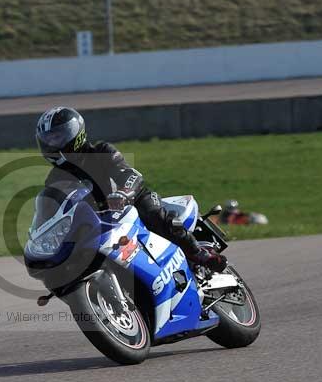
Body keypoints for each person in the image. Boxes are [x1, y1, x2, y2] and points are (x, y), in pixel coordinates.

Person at [35, 106, 227, 272]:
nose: (53, 143)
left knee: (154, 215)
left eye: (58, 136)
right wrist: (40, 234)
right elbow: (51, 212)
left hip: (133, 201)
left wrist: (123, 193)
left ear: (75, 134)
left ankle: (199, 252)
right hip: (101, 222)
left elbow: (130, 174)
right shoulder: (55, 179)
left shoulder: (101, 151)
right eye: (48, 139)